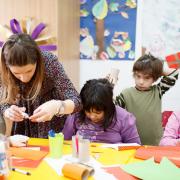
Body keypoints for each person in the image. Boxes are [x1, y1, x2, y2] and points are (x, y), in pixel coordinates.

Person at [0, 33, 81, 138]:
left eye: (29, 71)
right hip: (22, 131)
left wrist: (57, 106)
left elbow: (77, 101)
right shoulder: (3, 68)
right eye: (16, 74)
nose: (24, 78)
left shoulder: (49, 62)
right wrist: (7, 110)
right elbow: (2, 98)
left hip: (52, 129)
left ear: (37, 60)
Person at [115, 54, 179, 145]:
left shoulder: (158, 90)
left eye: (147, 78)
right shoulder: (126, 94)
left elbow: (175, 73)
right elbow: (111, 108)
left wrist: (155, 68)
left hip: (156, 143)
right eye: (138, 76)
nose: (141, 81)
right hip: (132, 143)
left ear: (154, 78)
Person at [62, 78, 141, 144]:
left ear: (108, 108)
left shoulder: (124, 118)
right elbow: (65, 142)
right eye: (88, 111)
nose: (92, 116)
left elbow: (134, 147)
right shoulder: (76, 114)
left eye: (98, 112)